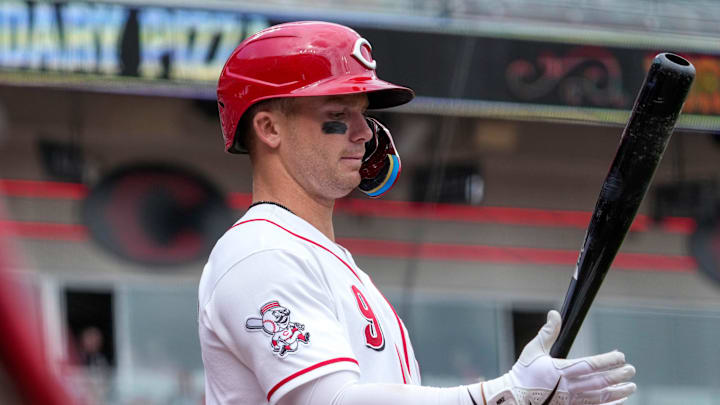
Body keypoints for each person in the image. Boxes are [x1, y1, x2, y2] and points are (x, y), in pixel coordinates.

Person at [198, 21, 636, 405]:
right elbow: (330, 400)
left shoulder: (322, 258)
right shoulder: (260, 253)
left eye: (362, 114)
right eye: (336, 114)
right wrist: (501, 394)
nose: (363, 132)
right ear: (269, 128)